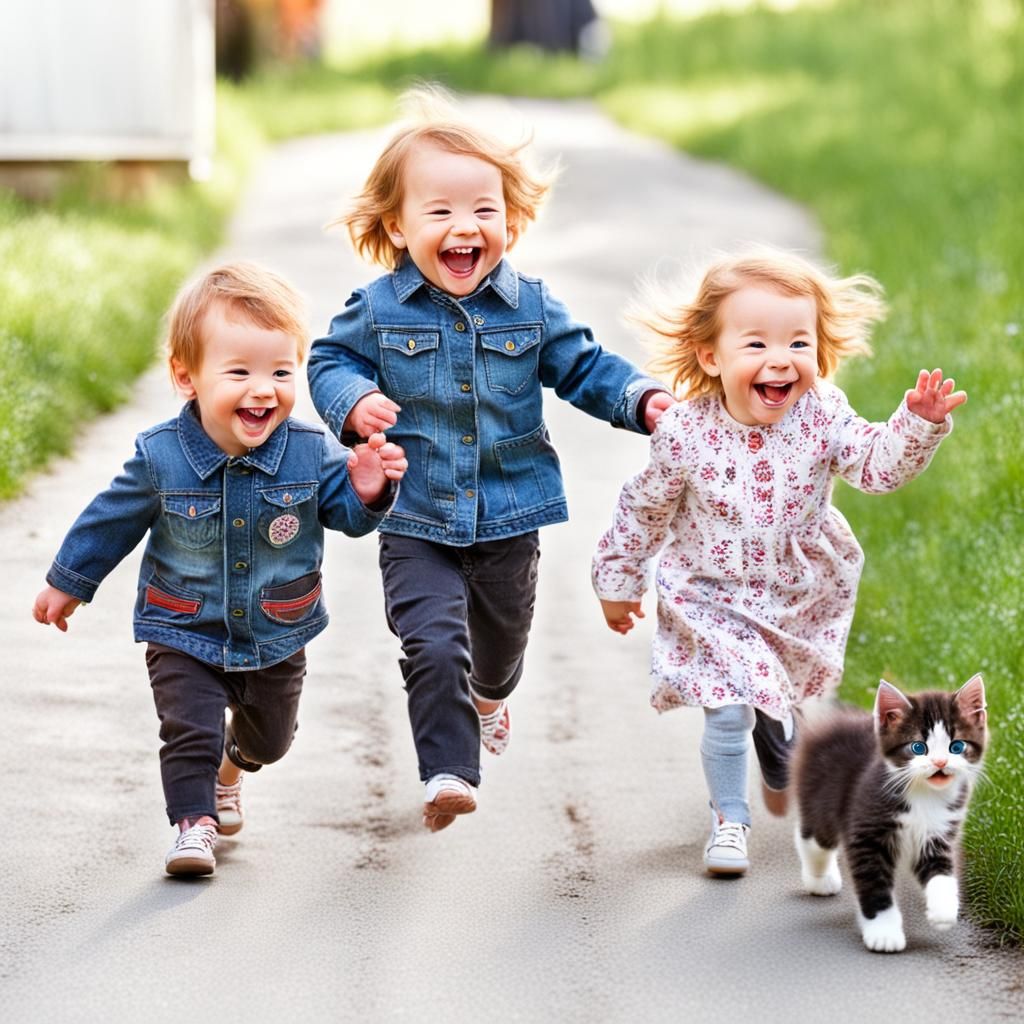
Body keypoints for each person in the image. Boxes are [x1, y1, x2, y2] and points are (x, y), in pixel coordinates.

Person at [307, 88, 675, 832]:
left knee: (499, 650)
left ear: (511, 219)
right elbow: (327, 360)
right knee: (433, 643)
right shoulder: (377, 309)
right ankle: (448, 770)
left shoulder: (529, 306)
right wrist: (352, 401)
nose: (464, 226)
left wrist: (641, 400)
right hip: (415, 516)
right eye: (439, 212)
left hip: (510, 511)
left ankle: (491, 699)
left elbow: (583, 366)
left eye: (484, 209)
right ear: (398, 226)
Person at [591, 248, 966, 875]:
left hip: (797, 593)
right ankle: (729, 822)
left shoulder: (823, 413)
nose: (780, 359)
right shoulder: (685, 432)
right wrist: (618, 579)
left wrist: (916, 426)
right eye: (756, 343)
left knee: (777, 705)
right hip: (708, 593)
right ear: (711, 357)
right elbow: (644, 507)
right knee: (727, 705)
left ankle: (780, 753)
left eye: (798, 342)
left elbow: (875, 468)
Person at [32, 261, 407, 876]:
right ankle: (194, 826)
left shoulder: (311, 451)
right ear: (187, 377)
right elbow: (112, 518)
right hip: (182, 626)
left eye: (281, 372)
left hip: (276, 629)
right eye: (239, 373)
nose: (264, 390)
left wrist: (367, 490)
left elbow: (347, 516)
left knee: (271, 741)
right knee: (188, 730)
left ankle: (233, 768)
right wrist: (68, 581)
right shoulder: (161, 456)